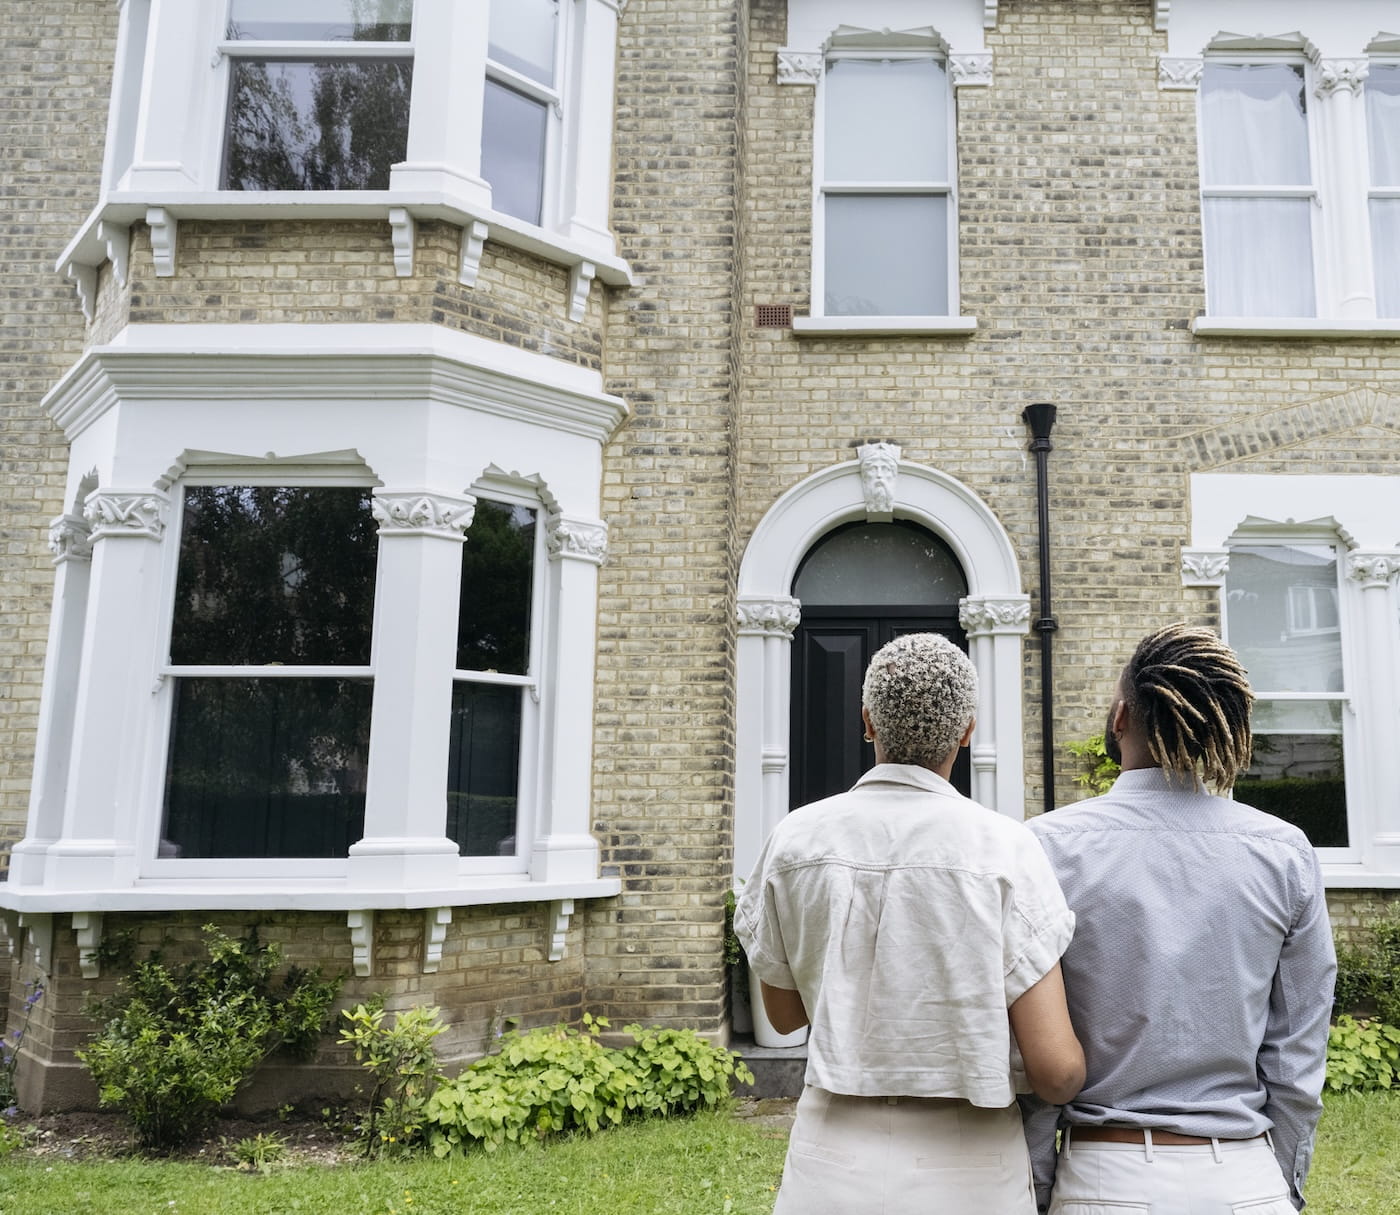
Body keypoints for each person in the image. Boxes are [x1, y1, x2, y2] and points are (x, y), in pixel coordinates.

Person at [736, 632, 1085, 1215]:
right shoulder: (1006, 849)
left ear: (867, 722)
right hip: (971, 1164)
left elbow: (785, 1015)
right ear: (967, 731)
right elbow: (1055, 1071)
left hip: (831, 1155)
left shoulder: (795, 839)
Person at [1023, 623, 1337, 1214]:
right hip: (1245, 1181)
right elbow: (1296, 1057)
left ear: (1120, 718)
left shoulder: (1046, 847)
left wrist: (1038, 1189)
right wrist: (1279, 1187)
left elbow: (1033, 1062)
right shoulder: (1284, 852)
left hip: (1103, 1178)